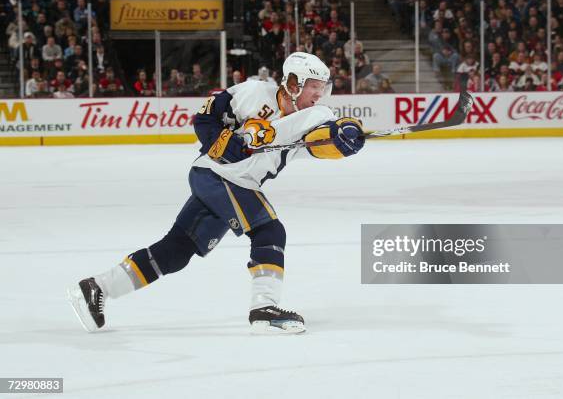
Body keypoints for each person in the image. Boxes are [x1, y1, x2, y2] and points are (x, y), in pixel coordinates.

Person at [68, 52, 366, 335]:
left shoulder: (316, 116)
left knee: (176, 252)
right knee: (269, 231)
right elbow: (205, 117)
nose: (318, 94)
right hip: (217, 174)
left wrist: (347, 137)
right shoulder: (254, 92)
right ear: (293, 83)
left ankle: (98, 287)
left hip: (230, 182)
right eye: (313, 87)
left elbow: (328, 139)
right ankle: (264, 308)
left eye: (322, 88)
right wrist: (225, 145)